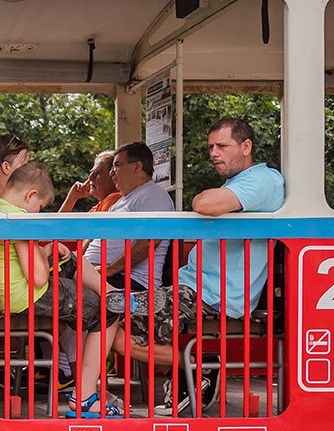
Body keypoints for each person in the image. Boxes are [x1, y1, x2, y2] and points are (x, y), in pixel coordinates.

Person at [106, 117, 285, 415]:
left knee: (114, 319)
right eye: (211, 147)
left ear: (246, 146)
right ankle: (196, 368)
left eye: (222, 146)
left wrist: (202, 197)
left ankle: (198, 367)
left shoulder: (262, 180)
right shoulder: (241, 184)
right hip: (194, 288)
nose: (214, 153)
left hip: (215, 295)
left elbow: (203, 203)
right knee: (112, 318)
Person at [0, 163, 113, 416]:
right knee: (107, 312)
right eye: (41, 207)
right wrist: (38, 247)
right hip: (25, 296)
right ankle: (86, 395)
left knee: (70, 259)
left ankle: (110, 291)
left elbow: (13, 257)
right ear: (30, 195)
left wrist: (47, 250)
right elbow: (37, 278)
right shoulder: (19, 219)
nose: (38, 212)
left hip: (5, 294)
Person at [79, 142, 174, 295]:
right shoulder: (124, 200)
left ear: (137, 166)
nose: (111, 173)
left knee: (49, 285)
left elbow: (148, 242)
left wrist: (108, 270)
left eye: (116, 165)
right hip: (100, 274)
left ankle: (116, 299)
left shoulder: (152, 195)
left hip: (128, 281)